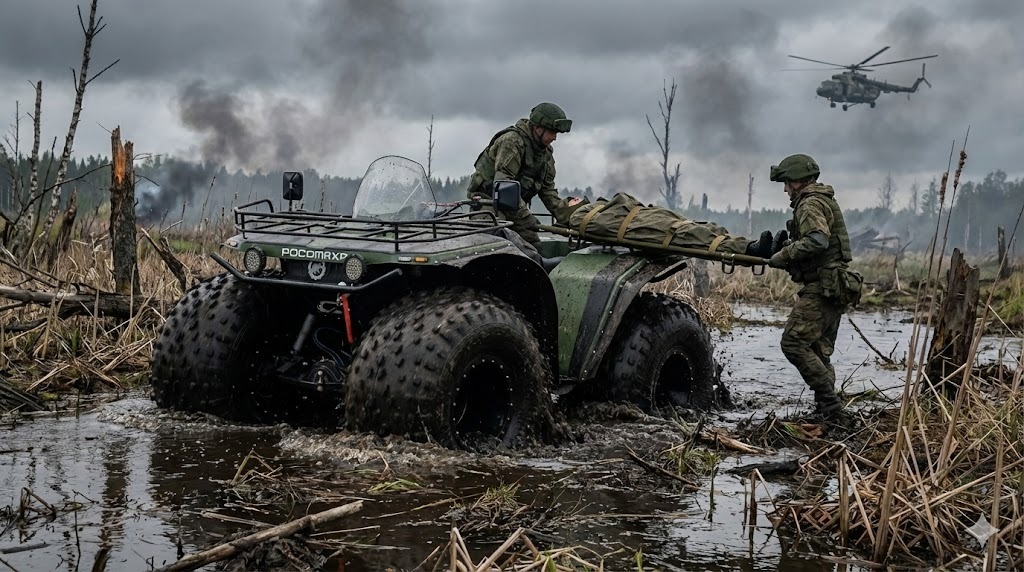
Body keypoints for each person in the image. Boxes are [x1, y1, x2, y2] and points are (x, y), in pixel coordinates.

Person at [766, 153, 860, 418]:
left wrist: (783, 256)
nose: (785, 189)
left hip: (821, 288)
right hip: (833, 286)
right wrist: (789, 247)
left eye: (787, 183)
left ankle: (831, 407)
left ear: (798, 181)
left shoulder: (809, 204)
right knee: (818, 349)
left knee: (793, 343)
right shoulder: (822, 200)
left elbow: (818, 241)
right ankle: (827, 410)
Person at [466, 102, 572, 251]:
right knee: (495, 244)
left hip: (516, 210)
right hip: (488, 206)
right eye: (552, 132)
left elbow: (548, 191)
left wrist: (567, 217)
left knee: (532, 248)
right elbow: (503, 185)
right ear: (538, 128)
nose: (554, 138)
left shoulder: (545, 154)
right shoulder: (512, 141)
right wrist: (526, 217)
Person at [551, 192, 775, 258]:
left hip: (646, 217)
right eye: (570, 200)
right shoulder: (580, 218)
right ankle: (751, 250)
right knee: (692, 234)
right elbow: (610, 224)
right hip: (645, 225)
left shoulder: (593, 209)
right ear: (568, 209)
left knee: (699, 227)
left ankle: (758, 245)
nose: (575, 197)